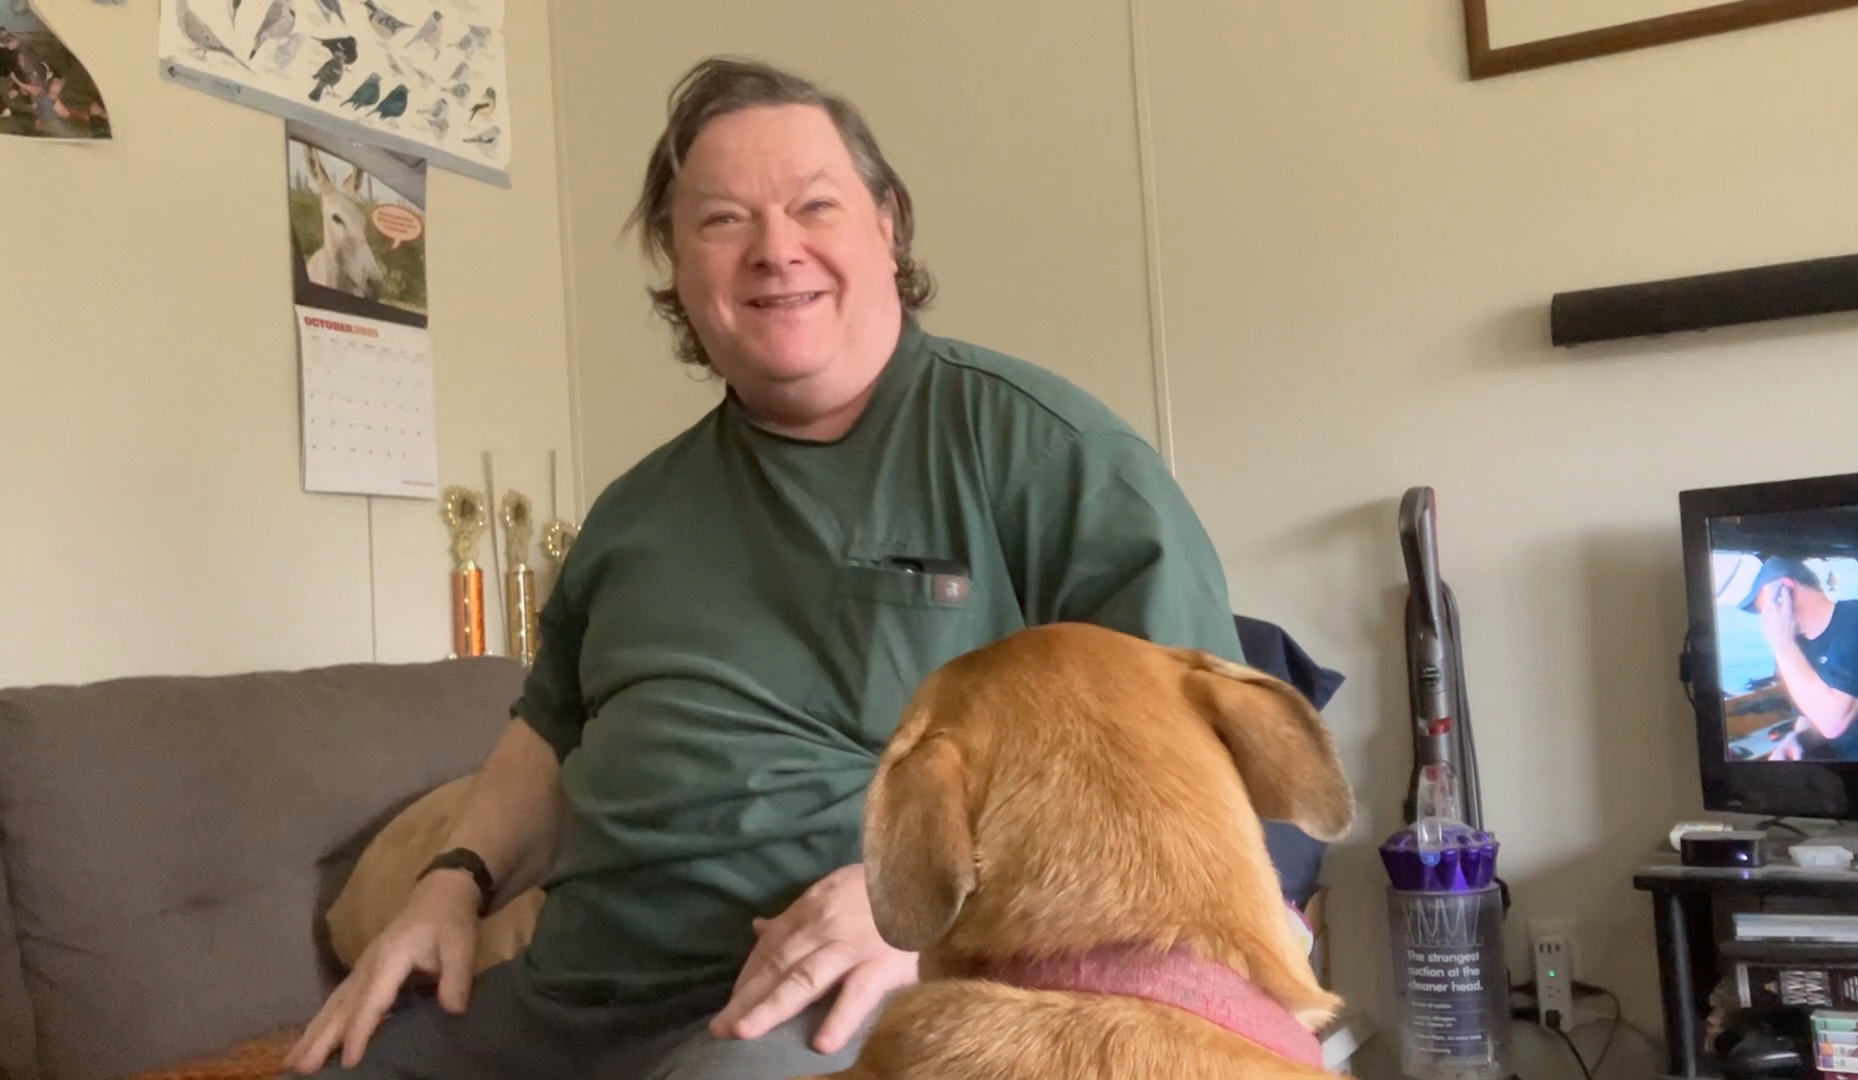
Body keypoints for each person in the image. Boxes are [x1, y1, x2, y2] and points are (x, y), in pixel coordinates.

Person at [282, 55, 1245, 1080]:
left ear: (887, 226)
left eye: (814, 206)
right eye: (723, 220)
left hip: (845, 990)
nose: (775, 249)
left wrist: (929, 915)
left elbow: (1191, 785)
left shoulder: (1053, 459)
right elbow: (549, 735)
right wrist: (450, 884)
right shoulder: (633, 511)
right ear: (679, 267)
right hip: (573, 994)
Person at [1741, 556, 1858, 762]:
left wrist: (1782, 643)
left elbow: (1832, 723)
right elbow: (1810, 716)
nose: (1766, 619)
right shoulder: (1799, 646)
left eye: (1767, 608)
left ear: (1787, 589)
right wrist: (1798, 739)